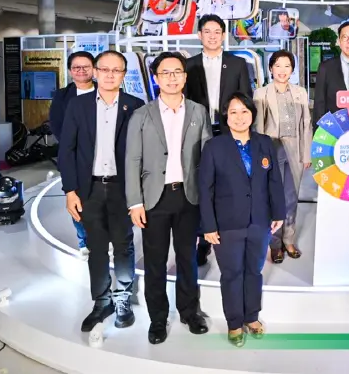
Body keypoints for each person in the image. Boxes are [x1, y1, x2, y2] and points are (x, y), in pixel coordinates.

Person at [125, 52, 212, 344]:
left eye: (177, 72)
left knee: (188, 258)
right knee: (155, 262)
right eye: (165, 72)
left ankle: (189, 311)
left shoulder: (199, 112)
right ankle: (158, 319)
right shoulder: (142, 114)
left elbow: (207, 156)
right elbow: (132, 160)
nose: (172, 78)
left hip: (189, 196)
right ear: (156, 78)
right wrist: (135, 202)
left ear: (185, 77)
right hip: (154, 199)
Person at [58, 50, 144, 333]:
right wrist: (70, 190)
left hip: (122, 188)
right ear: (95, 72)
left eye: (116, 70)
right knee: (96, 248)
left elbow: (142, 153)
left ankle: (123, 300)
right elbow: (67, 150)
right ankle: (101, 301)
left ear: (123, 75)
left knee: (123, 246)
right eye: (104, 69)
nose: (109, 75)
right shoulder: (78, 105)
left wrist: (139, 195)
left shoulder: (135, 106)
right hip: (89, 189)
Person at [198, 92, 286, 347]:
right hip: (227, 224)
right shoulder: (214, 147)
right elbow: (205, 189)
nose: (239, 117)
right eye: (233, 112)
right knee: (231, 274)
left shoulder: (264, 143)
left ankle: (252, 316)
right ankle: (235, 322)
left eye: (244, 111)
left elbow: (274, 180)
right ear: (226, 116)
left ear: (252, 114)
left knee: (254, 271)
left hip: (259, 220)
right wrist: (208, 226)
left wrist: (278, 212)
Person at [185, 13, 253, 266]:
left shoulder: (237, 64)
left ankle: (231, 237)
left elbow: (246, 99)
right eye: (207, 31)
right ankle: (202, 241)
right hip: (199, 133)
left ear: (224, 35)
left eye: (217, 32)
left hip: (229, 131)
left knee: (230, 185)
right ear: (199, 35)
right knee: (202, 186)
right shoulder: (189, 65)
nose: (212, 36)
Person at [253, 50, 312, 263]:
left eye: (287, 66)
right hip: (271, 149)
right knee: (272, 197)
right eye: (278, 65)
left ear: (292, 70)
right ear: (270, 68)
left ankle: (289, 239)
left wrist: (306, 154)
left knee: (291, 197)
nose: (282, 70)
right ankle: (275, 244)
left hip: (294, 148)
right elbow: (258, 127)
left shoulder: (300, 93)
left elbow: (306, 124)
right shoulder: (261, 94)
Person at [49, 51, 96, 256]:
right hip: (74, 155)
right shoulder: (62, 96)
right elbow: (57, 125)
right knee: (76, 200)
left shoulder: (105, 91)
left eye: (86, 66)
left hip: (103, 155)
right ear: (70, 71)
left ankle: (105, 238)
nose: (81, 70)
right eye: (76, 67)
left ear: (94, 69)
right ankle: (84, 241)